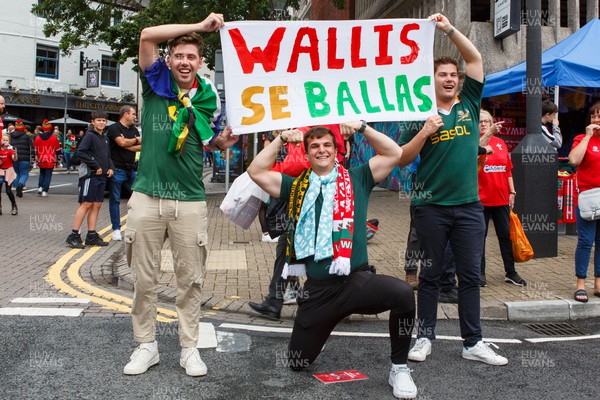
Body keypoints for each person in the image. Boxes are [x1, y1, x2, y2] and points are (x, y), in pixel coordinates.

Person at [248, 123, 418, 399]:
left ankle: (399, 368)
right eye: (314, 145)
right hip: (318, 290)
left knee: (402, 294)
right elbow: (255, 171)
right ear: (306, 152)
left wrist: (362, 127)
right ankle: (322, 329)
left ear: (337, 150)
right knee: (297, 362)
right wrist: (280, 138)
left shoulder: (357, 178)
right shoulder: (295, 187)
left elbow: (394, 153)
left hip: (356, 281)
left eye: (327, 144)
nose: (321, 150)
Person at [123, 14, 238, 377]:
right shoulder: (156, 80)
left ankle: (189, 348)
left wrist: (223, 143)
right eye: (179, 55)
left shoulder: (208, 98)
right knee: (144, 278)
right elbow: (146, 35)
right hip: (147, 196)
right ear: (169, 58)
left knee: (190, 280)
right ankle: (146, 346)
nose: (185, 61)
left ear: (200, 63)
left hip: (189, 198)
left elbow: (210, 139)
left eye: (192, 56)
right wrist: (202, 27)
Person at [398, 13, 508, 366]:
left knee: (470, 276)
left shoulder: (470, 103)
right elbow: (402, 158)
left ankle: (472, 341)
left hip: (470, 206)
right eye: (442, 75)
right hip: (430, 207)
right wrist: (423, 132)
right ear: (430, 81)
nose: (449, 79)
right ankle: (424, 337)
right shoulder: (419, 112)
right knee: (429, 275)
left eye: (452, 75)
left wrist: (449, 30)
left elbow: (475, 59)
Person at [477, 110, 527, 287]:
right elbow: (471, 158)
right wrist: (487, 135)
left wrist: (512, 192)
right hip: (480, 200)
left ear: (492, 123)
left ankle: (510, 272)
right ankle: (479, 274)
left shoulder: (500, 143)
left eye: (487, 121)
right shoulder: (473, 143)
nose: (483, 124)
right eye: (480, 121)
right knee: (479, 238)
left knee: (506, 237)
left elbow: (507, 170)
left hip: (501, 199)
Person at [65, 111, 114, 248]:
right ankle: (74, 235)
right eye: (98, 120)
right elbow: (80, 152)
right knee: (86, 204)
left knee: (96, 205)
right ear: (93, 122)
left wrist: (111, 167)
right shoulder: (89, 136)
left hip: (102, 176)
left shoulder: (104, 138)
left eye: (104, 120)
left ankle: (91, 235)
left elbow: (108, 156)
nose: (101, 123)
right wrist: (95, 165)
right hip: (89, 175)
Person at [568, 101, 600, 303]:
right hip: (588, 199)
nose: (596, 120)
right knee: (586, 242)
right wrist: (588, 136)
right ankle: (581, 283)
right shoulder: (582, 138)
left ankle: (598, 282)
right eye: (594, 116)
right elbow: (573, 160)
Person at [106, 105, 140, 241]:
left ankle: (135, 227)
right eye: (133, 114)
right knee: (115, 200)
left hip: (131, 170)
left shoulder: (134, 130)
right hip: (117, 169)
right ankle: (116, 229)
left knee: (139, 198)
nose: (135, 117)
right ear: (125, 114)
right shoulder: (114, 128)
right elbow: (121, 143)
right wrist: (135, 141)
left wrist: (128, 144)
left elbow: (142, 145)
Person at [34, 120, 60, 197]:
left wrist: (35, 157)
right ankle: (45, 191)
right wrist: (58, 160)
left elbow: (35, 149)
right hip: (50, 158)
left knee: (42, 173)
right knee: (48, 175)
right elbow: (58, 150)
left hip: (41, 157)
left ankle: (40, 187)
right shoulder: (54, 138)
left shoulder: (38, 138)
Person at [9, 121, 34, 197]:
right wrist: (33, 157)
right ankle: (21, 185)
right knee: (24, 173)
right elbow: (32, 148)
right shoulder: (27, 136)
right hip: (25, 158)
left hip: (14, 158)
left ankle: (17, 188)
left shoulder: (11, 136)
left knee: (16, 174)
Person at [0, 133, 18, 215]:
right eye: (3, 140)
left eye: (7, 140)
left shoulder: (10, 150)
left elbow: (14, 159)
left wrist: (15, 153)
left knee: (8, 191)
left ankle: (14, 206)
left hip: (8, 171)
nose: (5, 142)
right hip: (0, 171)